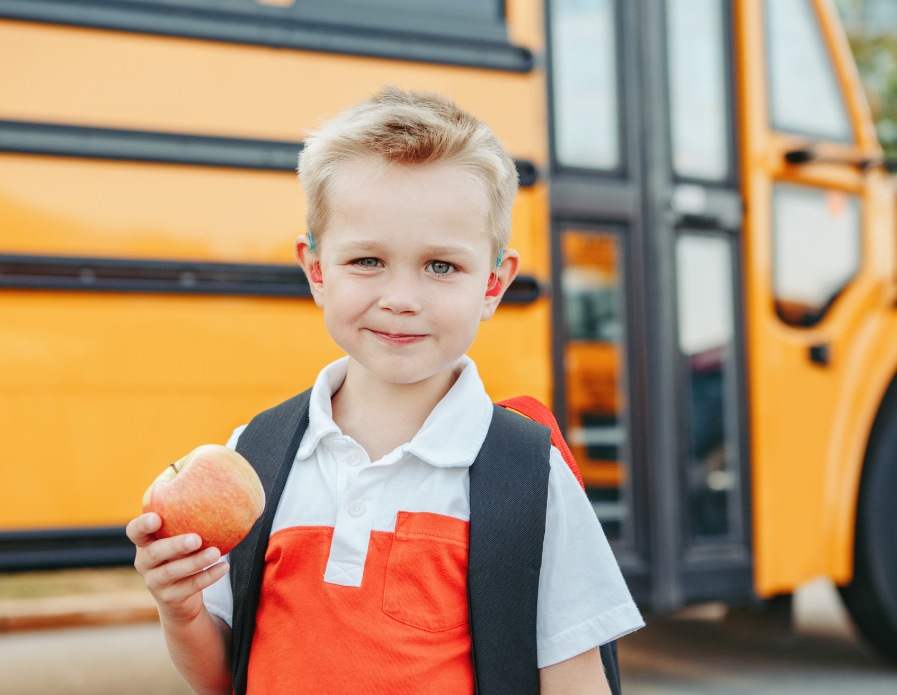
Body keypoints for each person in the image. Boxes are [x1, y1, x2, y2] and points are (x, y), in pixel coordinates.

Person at [126, 87, 644, 695]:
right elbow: (222, 677)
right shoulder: (257, 455)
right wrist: (181, 609)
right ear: (316, 270)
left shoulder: (527, 475)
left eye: (441, 266)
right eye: (367, 260)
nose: (401, 297)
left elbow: (575, 682)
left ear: (494, 283)